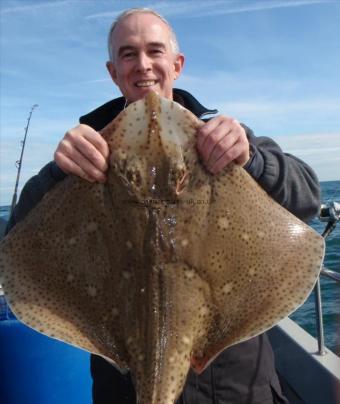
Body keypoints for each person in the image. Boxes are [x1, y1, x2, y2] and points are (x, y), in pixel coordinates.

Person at [6, 7, 320, 404]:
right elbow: (17, 247)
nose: (143, 65)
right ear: (113, 71)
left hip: (234, 389)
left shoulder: (227, 138)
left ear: (177, 64)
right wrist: (56, 172)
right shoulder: (84, 155)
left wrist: (254, 158)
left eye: (155, 51)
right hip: (123, 385)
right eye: (128, 54)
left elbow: (307, 196)